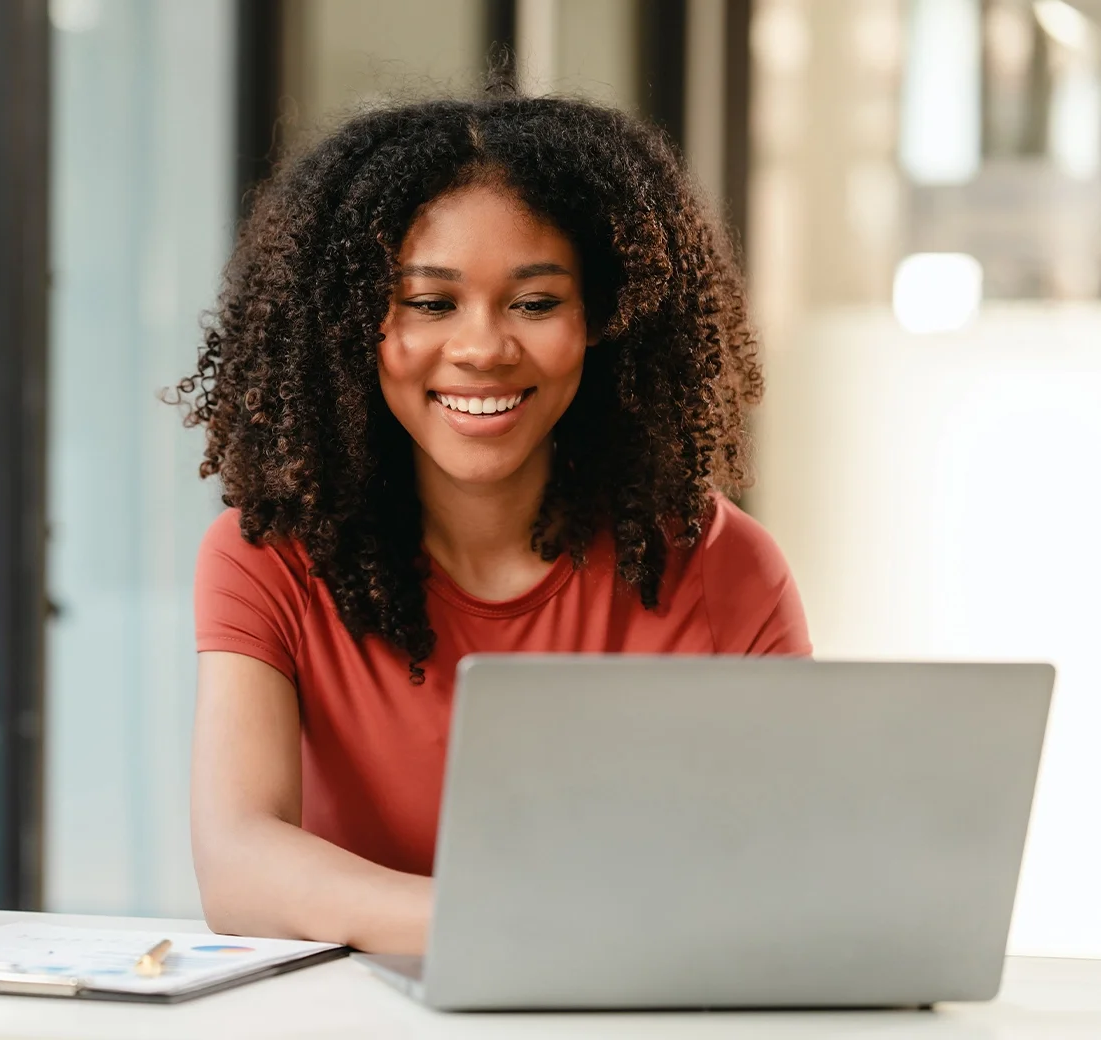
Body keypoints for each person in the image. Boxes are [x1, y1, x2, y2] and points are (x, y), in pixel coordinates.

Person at [172, 89, 811, 956]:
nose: (482, 349)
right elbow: (239, 866)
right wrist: (525, 927)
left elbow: (793, 865)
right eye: (430, 304)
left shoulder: (722, 565)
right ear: (350, 323)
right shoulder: (269, 558)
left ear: (605, 319)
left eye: (536, 304)